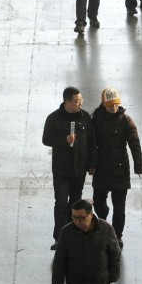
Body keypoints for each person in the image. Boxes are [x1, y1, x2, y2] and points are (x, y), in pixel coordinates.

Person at [91, 88, 142, 248]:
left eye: (115, 104)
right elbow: (92, 144)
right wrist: (91, 164)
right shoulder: (96, 120)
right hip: (101, 169)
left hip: (120, 170)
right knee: (99, 203)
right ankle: (103, 224)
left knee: (119, 207)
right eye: (110, 105)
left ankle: (116, 235)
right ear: (103, 104)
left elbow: (135, 144)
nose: (113, 107)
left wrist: (139, 166)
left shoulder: (126, 121)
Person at [43, 87, 97, 247]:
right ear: (67, 101)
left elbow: (92, 142)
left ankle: (73, 233)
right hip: (61, 169)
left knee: (75, 202)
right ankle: (59, 237)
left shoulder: (85, 117)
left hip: (79, 168)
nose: (80, 103)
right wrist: (64, 140)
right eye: (76, 101)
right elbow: (46, 139)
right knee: (60, 202)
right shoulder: (54, 118)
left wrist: (92, 163)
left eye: (81, 100)